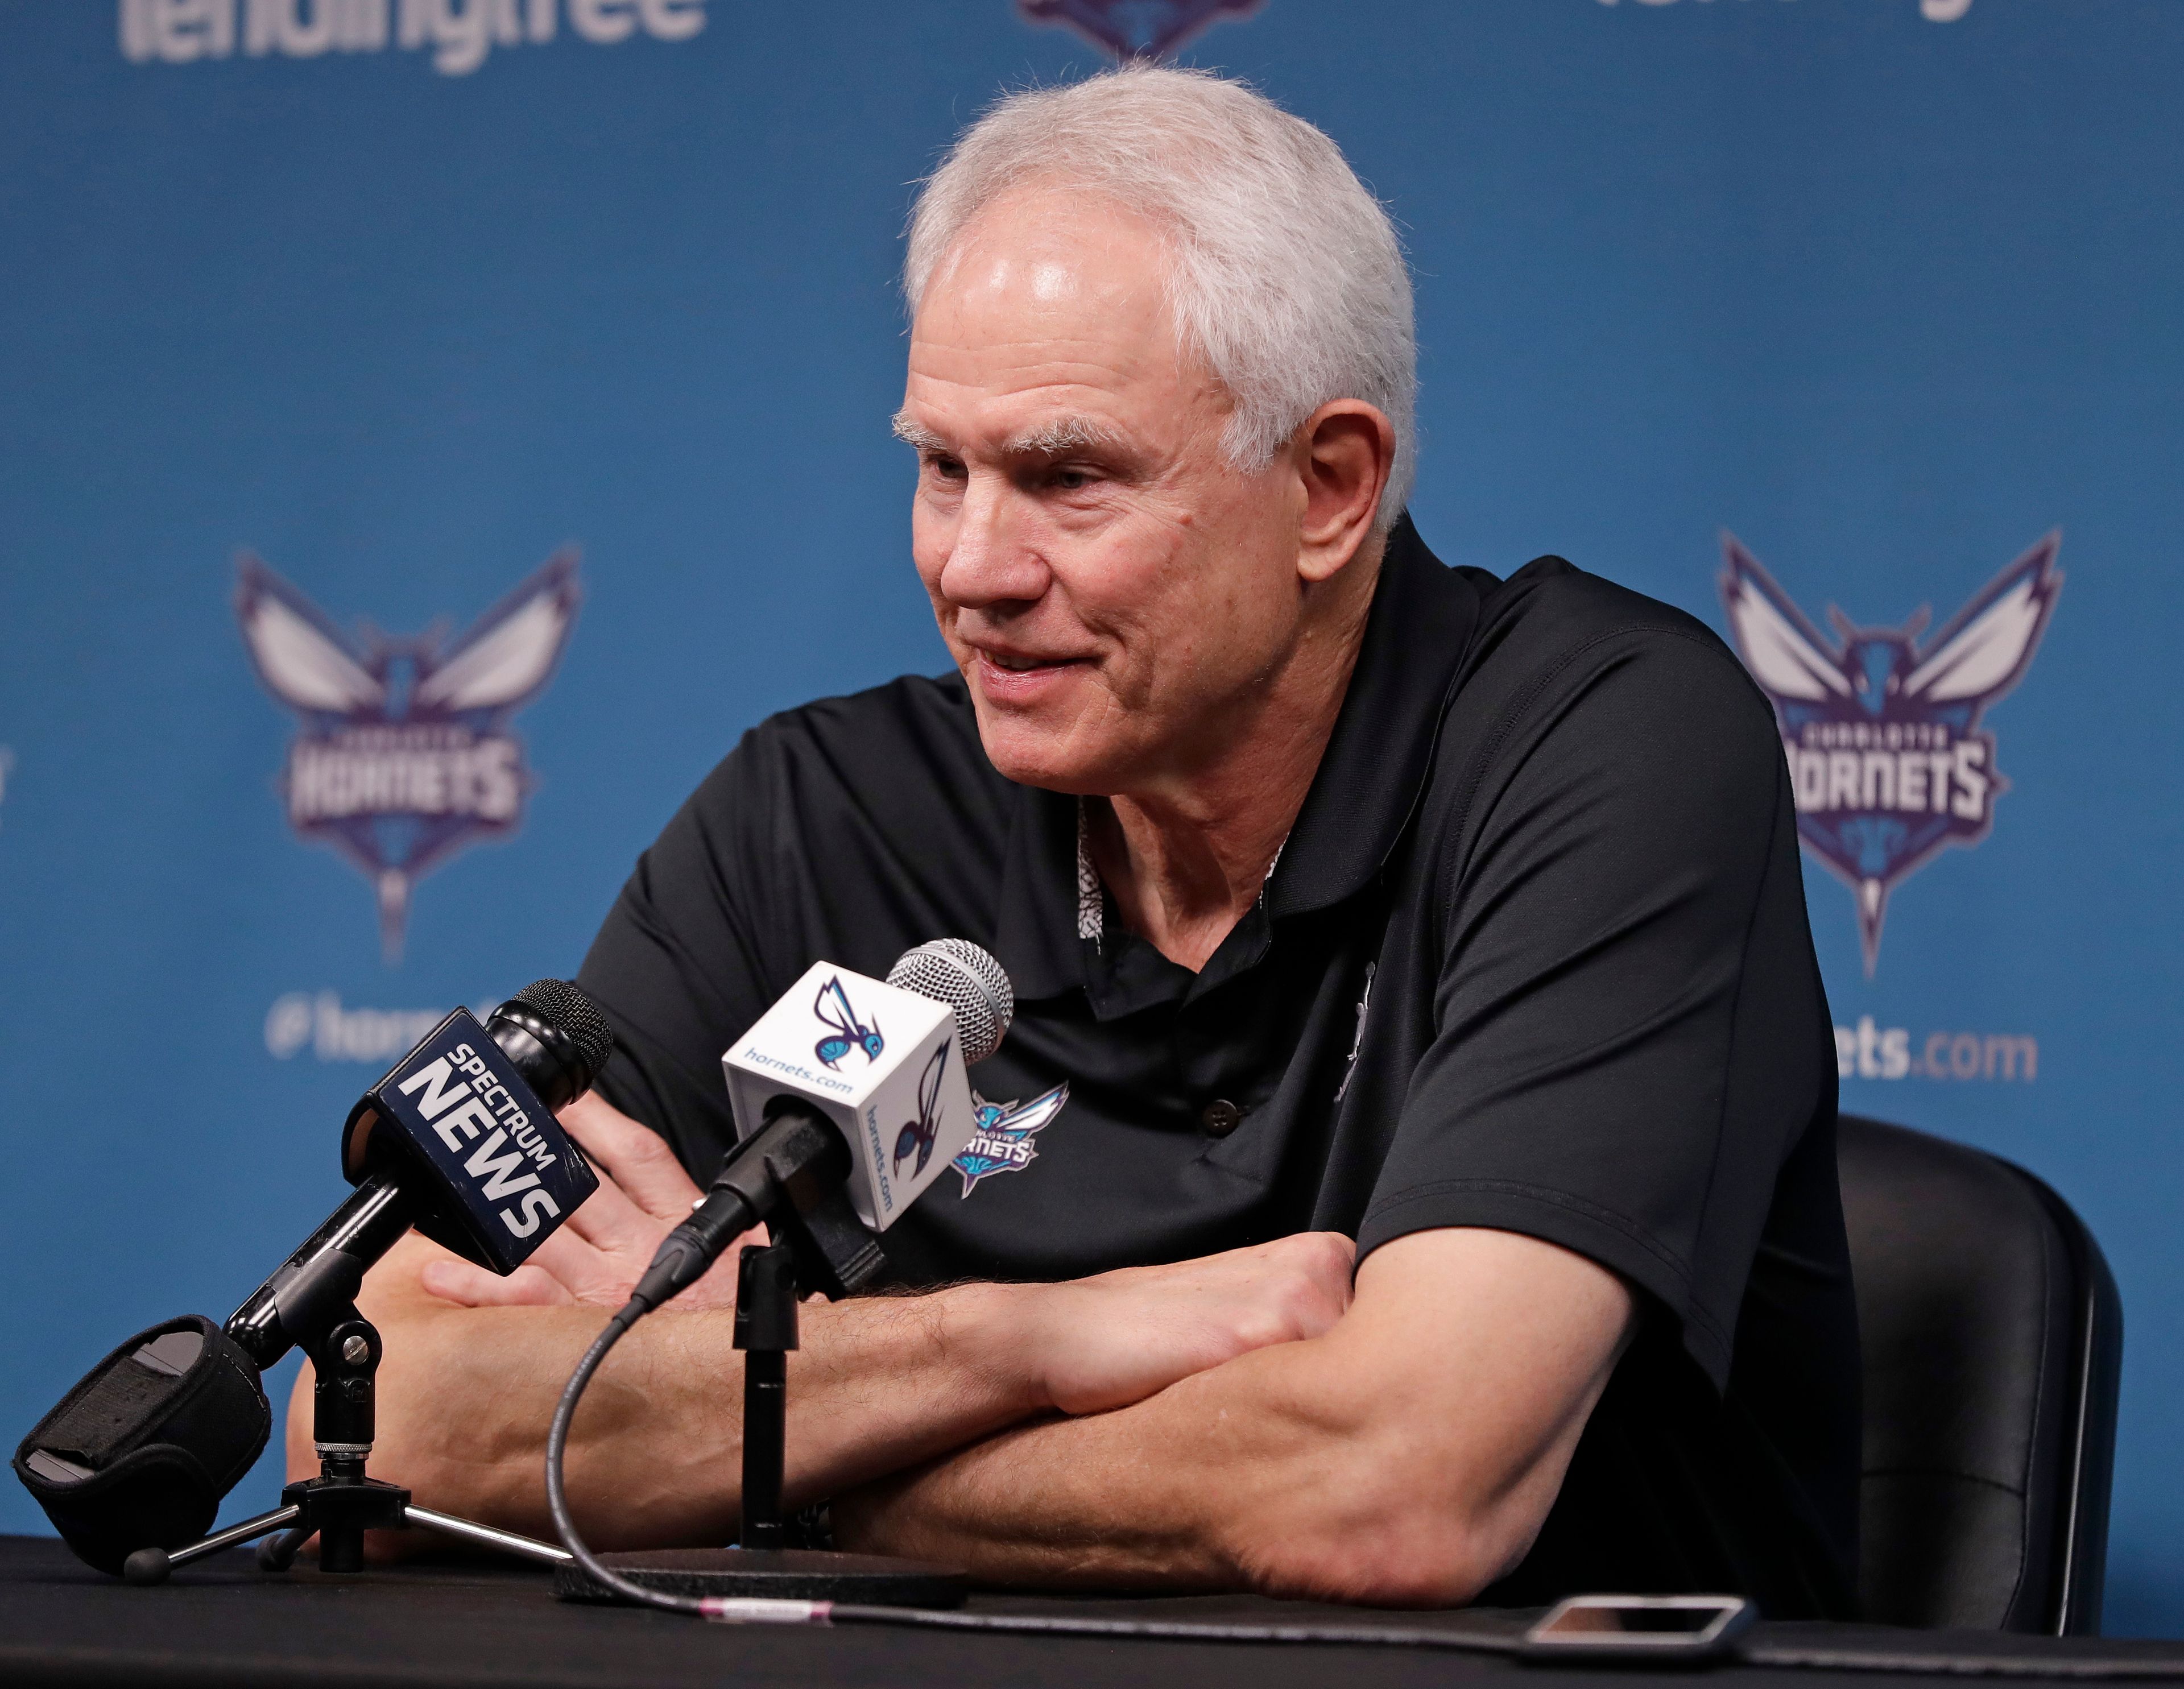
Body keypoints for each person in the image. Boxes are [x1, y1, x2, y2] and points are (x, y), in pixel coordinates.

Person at [300, 65, 1858, 1615]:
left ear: (1329, 488)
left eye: (1067, 477)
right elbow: (369, 1419)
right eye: (941, 466)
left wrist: (754, 1447)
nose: (974, 564)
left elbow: (1393, 1487)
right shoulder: (823, 817)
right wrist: (1028, 1338)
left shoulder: (1603, 743)